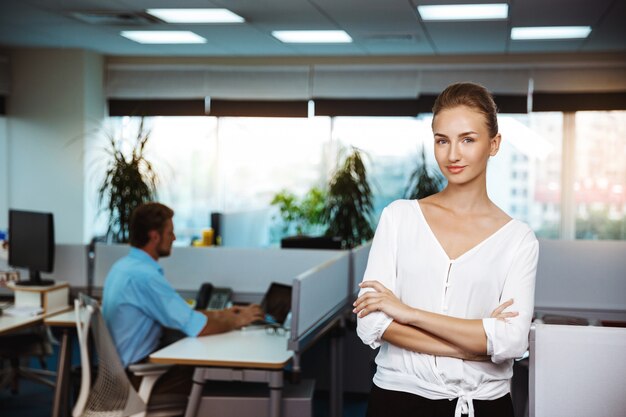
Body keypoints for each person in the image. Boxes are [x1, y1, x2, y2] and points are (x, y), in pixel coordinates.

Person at [353, 82, 538, 417]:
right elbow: (371, 323)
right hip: (397, 399)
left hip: (482, 405)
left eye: (468, 139)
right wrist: (478, 344)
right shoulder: (399, 218)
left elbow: (512, 342)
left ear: (494, 144)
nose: (453, 154)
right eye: (442, 140)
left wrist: (408, 313)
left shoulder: (518, 240)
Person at [102, 202, 263, 371]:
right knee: (209, 374)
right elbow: (197, 327)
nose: (174, 238)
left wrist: (224, 314)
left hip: (123, 369)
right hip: (139, 375)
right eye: (170, 233)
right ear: (154, 236)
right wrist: (238, 320)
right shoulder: (145, 277)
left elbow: (184, 316)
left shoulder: (123, 267)